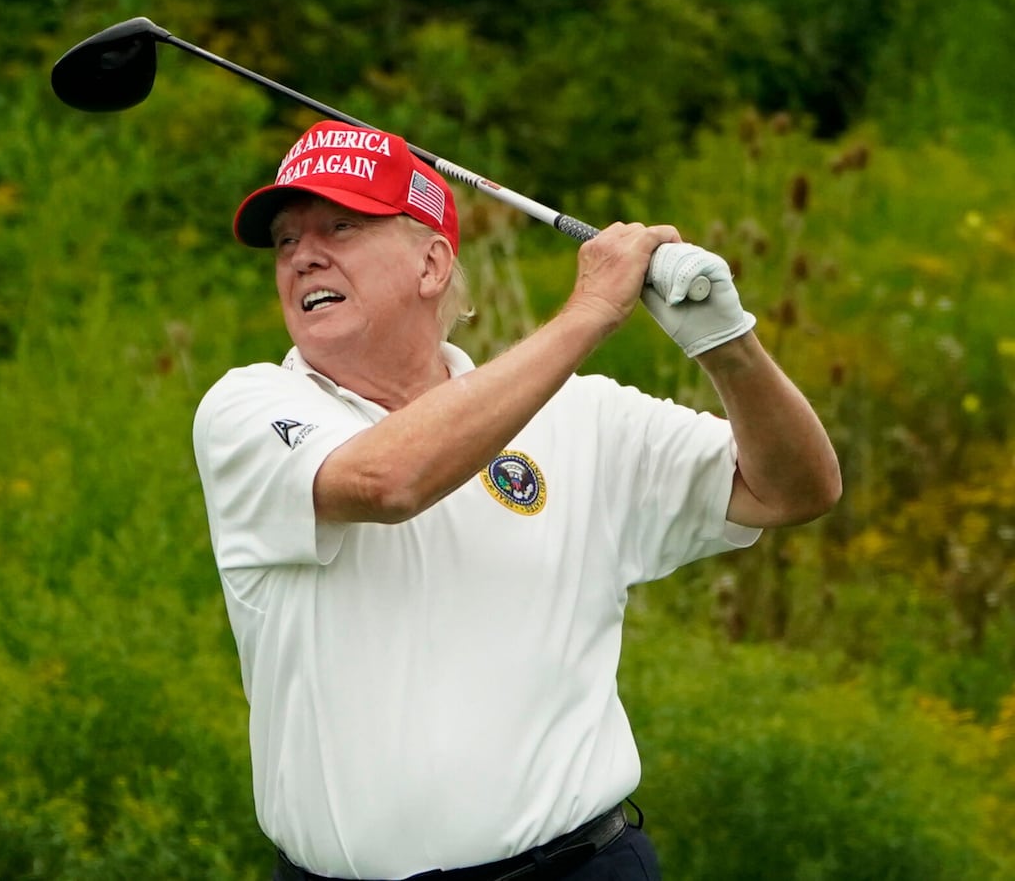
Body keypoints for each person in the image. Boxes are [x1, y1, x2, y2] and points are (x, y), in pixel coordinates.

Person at [190, 120, 842, 881]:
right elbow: (388, 481)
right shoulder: (247, 409)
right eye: (285, 241)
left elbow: (796, 488)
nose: (305, 255)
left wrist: (729, 347)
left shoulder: (583, 417)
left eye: (342, 226)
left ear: (432, 263)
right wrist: (592, 307)